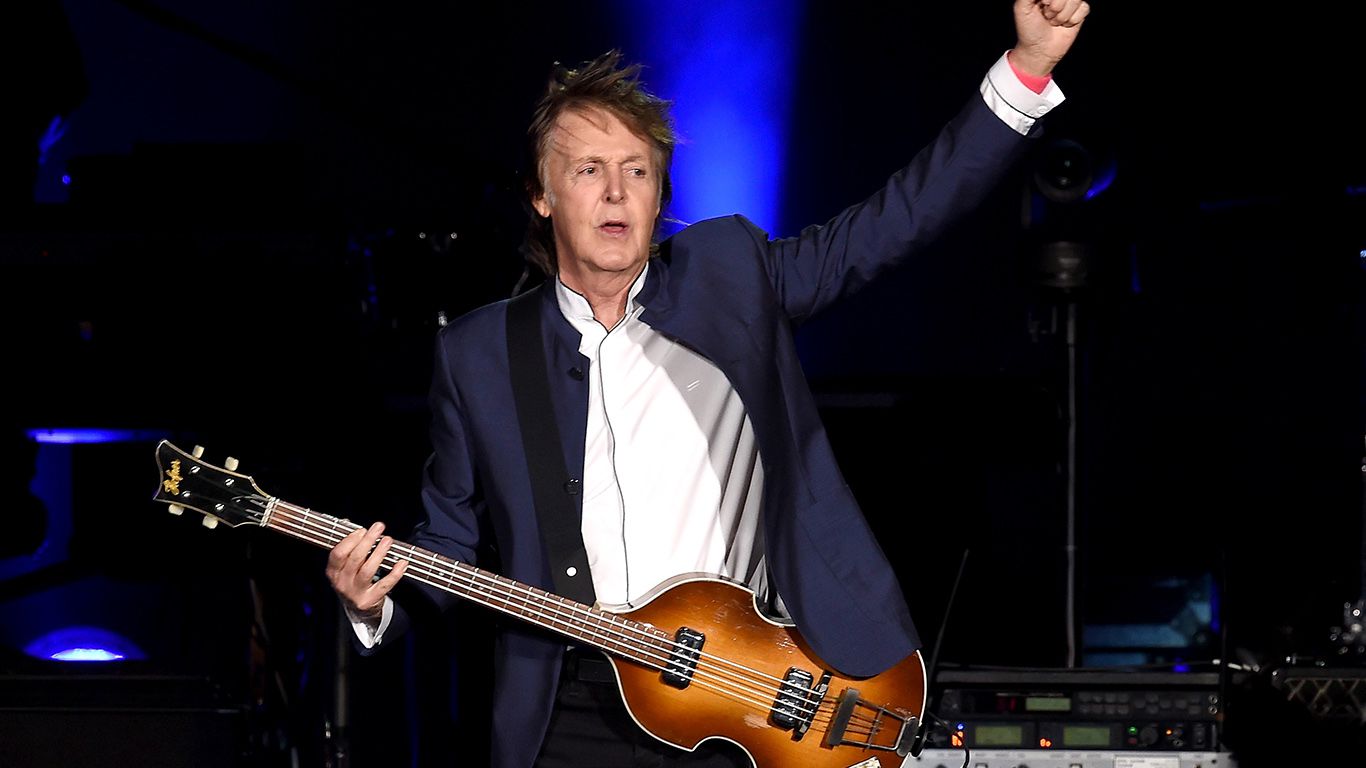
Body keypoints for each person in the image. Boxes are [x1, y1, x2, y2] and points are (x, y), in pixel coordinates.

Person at [327, 1, 1089, 765]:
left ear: (660, 195)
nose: (617, 193)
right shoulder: (480, 351)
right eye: (588, 171)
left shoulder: (730, 274)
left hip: (755, 693)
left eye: (637, 171)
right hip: (572, 708)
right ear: (542, 194)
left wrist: (1026, 70)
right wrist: (375, 606)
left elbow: (897, 221)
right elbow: (448, 543)